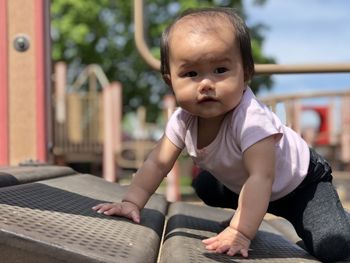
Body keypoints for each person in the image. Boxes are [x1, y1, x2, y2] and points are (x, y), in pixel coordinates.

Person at [92, 7, 350, 262]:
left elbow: (262, 176)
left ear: (246, 73)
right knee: (205, 186)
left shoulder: (251, 119)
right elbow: (157, 163)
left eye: (220, 71)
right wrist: (132, 202)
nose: (206, 83)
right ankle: (251, 210)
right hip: (252, 187)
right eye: (191, 74)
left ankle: (321, 223)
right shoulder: (183, 119)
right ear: (170, 80)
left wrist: (240, 231)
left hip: (302, 186)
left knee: (334, 246)